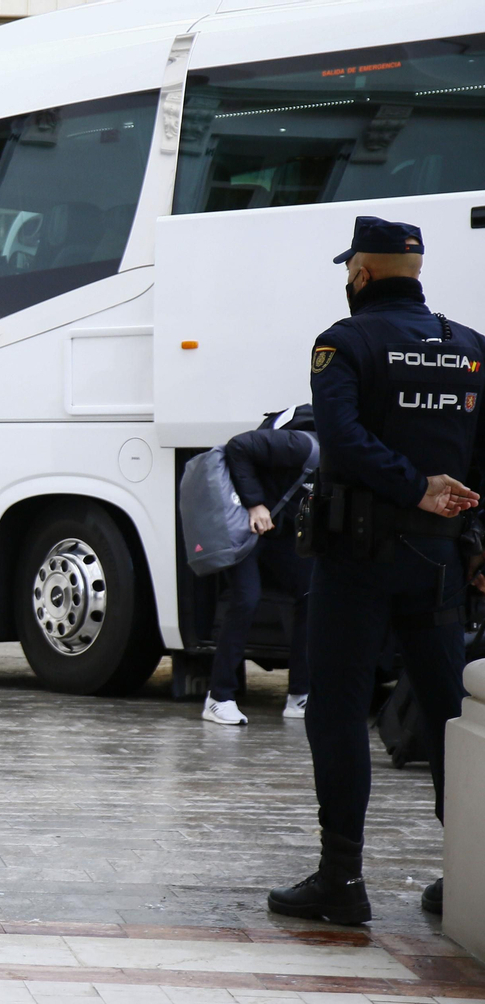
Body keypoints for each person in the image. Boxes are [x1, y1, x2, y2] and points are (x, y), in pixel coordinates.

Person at [268, 216, 484, 926]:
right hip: (439, 561)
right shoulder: (471, 350)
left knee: (337, 711)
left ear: (361, 273)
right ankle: (468, 880)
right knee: (450, 713)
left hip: (356, 559)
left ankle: (342, 881)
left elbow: (343, 440)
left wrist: (411, 483)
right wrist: (470, 535)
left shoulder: (345, 342)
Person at [201, 411, 317, 726]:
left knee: (311, 591)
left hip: (278, 531)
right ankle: (218, 697)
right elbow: (238, 446)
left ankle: (300, 696)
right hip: (245, 524)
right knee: (246, 598)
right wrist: (255, 503)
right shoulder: (302, 443)